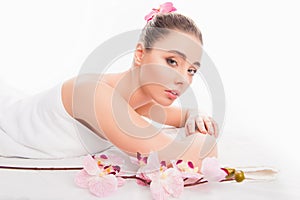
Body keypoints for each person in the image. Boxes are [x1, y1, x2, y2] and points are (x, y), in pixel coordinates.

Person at [0, 4, 218, 168]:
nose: (183, 79)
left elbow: (185, 115)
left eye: (191, 70)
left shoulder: (137, 101)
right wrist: (206, 135)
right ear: (140, 54)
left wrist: (197, 114)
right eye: (172, 61)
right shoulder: (94, 95)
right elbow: (185, 160)